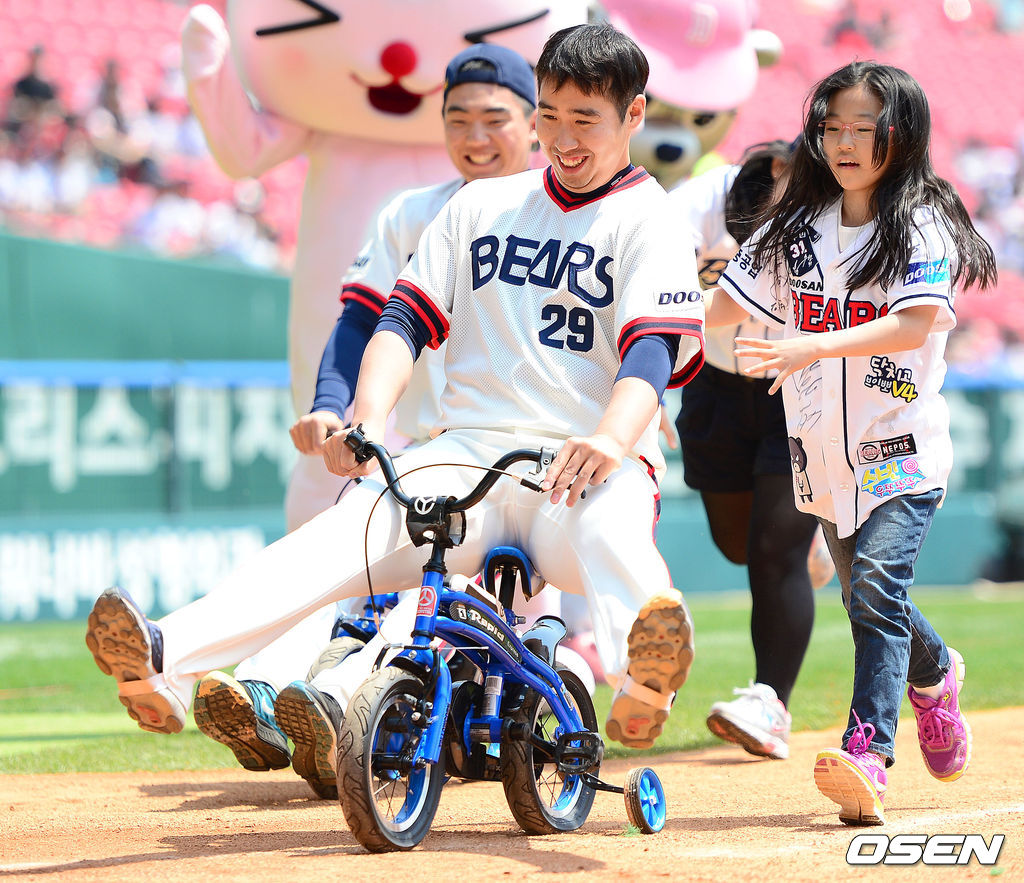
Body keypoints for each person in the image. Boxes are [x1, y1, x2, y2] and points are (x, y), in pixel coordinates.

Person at [85, 22, 702, 769]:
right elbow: (401, 321)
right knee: (339, 535)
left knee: (612, 539)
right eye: (551, 115)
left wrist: (611, 434)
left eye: (585, 120)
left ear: (634, 115)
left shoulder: (653, 219)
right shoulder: (479, 209)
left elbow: (650, 352)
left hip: (585, 465)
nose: (564, 138)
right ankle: (163, 652)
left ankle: (646, 676)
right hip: (469, 454)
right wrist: (366, 420)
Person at [187, 43, 585, 797]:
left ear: (534, 126)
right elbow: (361, 321)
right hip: (426, 453)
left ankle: (338, 700)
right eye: (457, 118)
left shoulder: (570, 215)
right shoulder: (412, 213)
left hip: (523, 470)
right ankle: (265, 694)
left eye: (494, 119)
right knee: (341, 571)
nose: (474, 135)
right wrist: (332, 406)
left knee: (425, 592)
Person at [704, 61, 996, 825]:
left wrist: (808, 347)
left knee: (871, 589)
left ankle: (869, 750)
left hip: (900, 450)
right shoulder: (792, 228)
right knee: (877, 593)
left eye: (862, 128)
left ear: (899, 134)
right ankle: (935, 677)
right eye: (832, 126)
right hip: (821, 460)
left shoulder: (923, 220)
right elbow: (721, 313)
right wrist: (642, 349)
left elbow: (910, 324)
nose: (844, 141)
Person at [669, 140, 831, 761]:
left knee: (772, 550)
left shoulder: (839, 215)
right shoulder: (703, 200)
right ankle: (807, 540)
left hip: (799, 387)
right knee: (736, 543)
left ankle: (771, 701)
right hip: (713, 381)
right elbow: (655, 267)